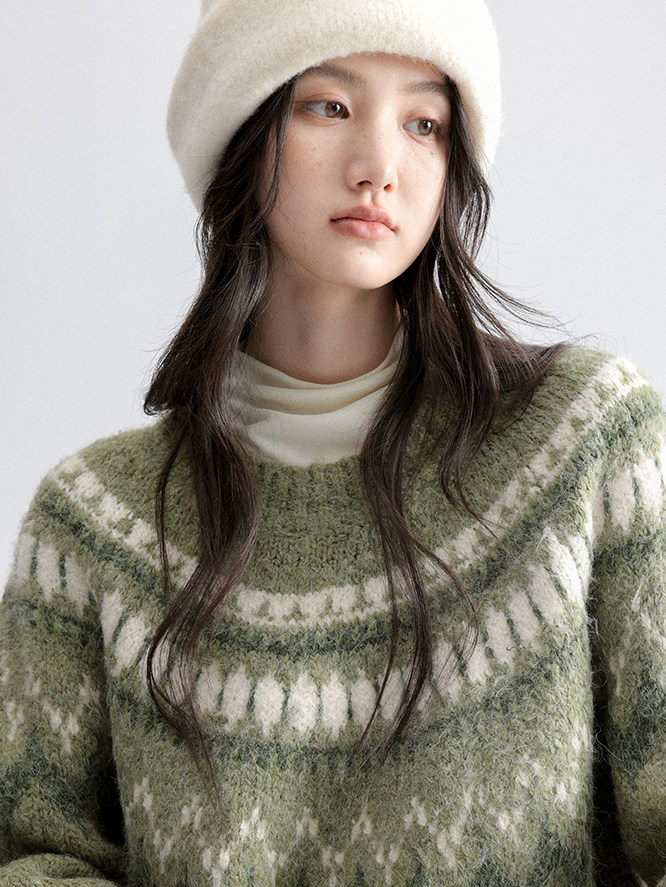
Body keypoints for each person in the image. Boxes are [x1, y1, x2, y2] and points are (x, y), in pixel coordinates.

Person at [1, 0, 664, 884]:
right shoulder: (92, 526)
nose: (379, 166)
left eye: (424, 123)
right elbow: (32, 854)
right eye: (329, 106)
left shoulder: (584, 440)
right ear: (242, 130)